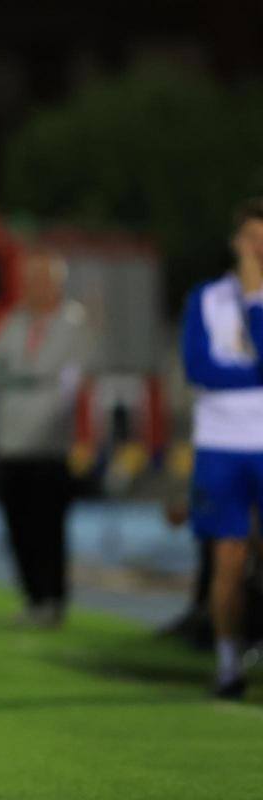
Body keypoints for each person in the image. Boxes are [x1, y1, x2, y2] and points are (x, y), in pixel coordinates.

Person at [0, 248, 90, 627]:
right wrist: (24, 376)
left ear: (56, 283)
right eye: (28, 280)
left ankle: (54, 599)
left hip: (49, 444)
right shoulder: (15, 320)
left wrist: (19, 376)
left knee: (49, 527)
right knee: (18, 524)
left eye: (39, 280)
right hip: (11, 440)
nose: (31, 288)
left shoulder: (72, 323)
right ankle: (33, 597)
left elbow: (63, 377)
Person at [180, 197, 263, 700]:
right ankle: (228, 664)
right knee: (226, 559)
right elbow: (198, 368)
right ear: (236, 243)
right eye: (250, 239)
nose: (256, 249)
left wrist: (255, 302)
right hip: (219, 444)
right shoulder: (207, 298)